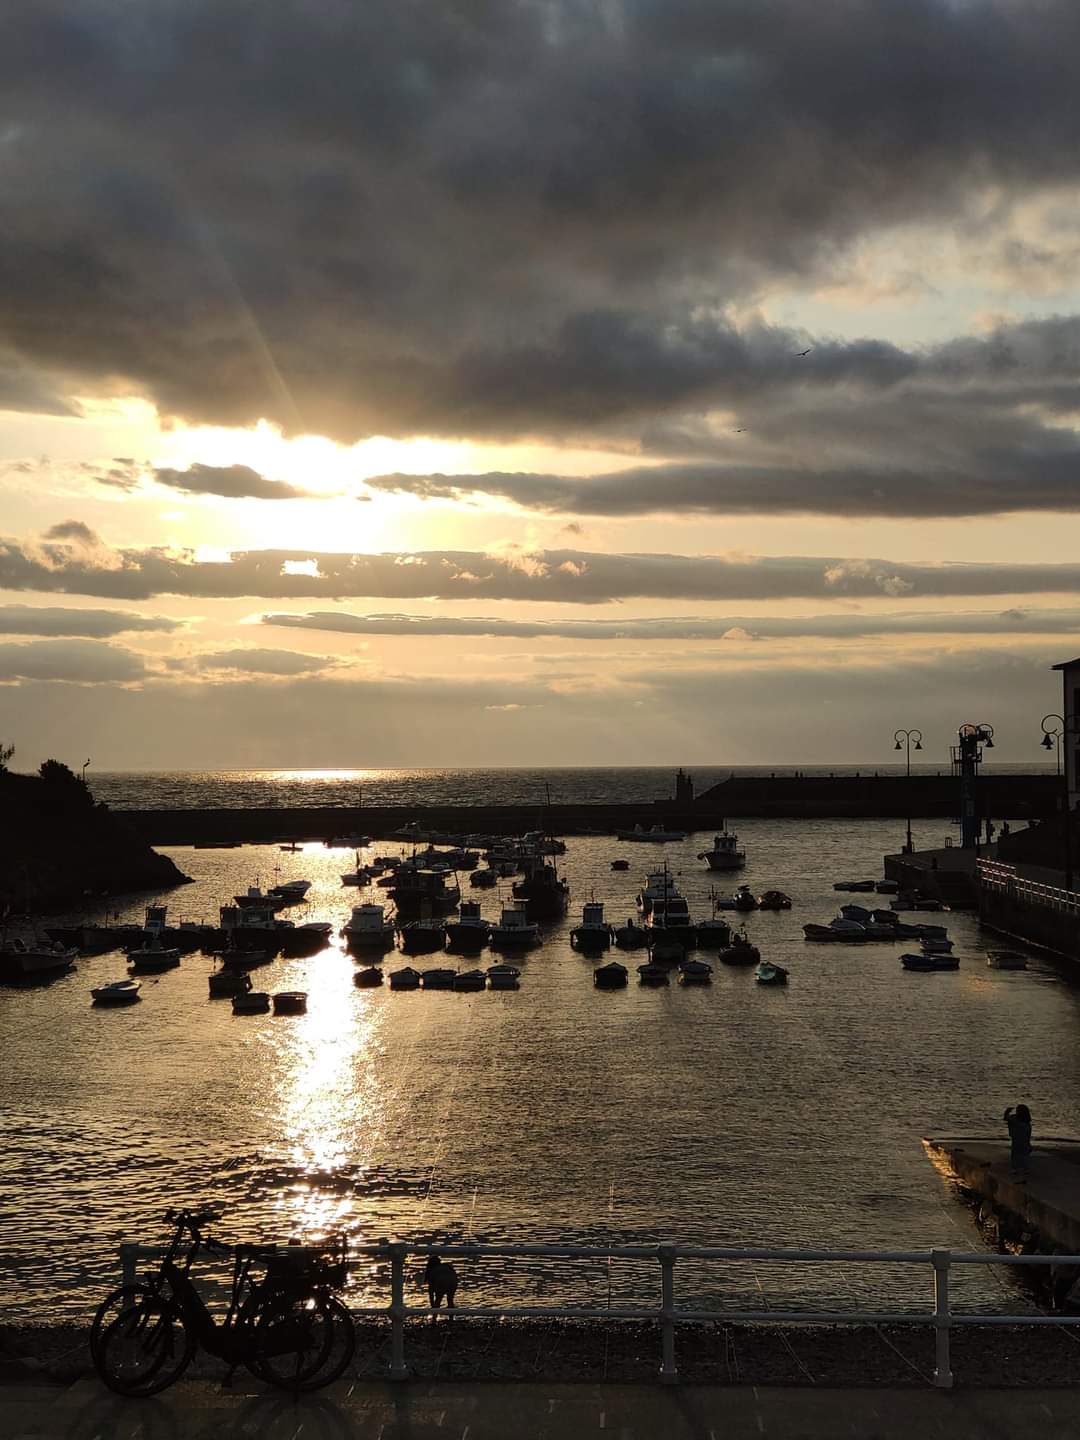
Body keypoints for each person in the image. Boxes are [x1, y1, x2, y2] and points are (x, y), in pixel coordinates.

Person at [425, 1252, 458, 1317]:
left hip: (441, 1281)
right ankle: (451, 1318)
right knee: (450, 1300)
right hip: (453, 1280)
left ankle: (434, 1318)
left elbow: (431, 1293)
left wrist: (432, 1306)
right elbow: (455, 1275)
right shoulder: (447, 1266)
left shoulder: (432, 1271)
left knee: (438, 1300)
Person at [1004, 1104, 1033, 1176]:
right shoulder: (1027, 1124)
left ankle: (1015, 1169)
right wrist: (1029, 1143)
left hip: (1016, 1140)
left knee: (1015, 1155)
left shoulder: (1014, 1120)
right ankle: (1025, 1169)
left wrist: (1007, 1111)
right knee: (1024, 1155)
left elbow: (1006, 1118)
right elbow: (1028, 1134)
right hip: (1024, 1141)